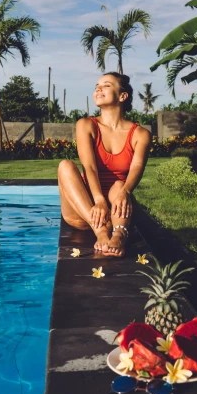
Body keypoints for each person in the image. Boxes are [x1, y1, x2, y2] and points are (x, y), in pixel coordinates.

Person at [58, 72, 151, 257]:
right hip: (84, 211)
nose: (98, 89)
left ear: (122, 96)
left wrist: (125, 192)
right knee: (65, 166)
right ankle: (100, 232)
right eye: (97, 86)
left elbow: (137, 167)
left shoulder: (140, 134)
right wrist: (99, 200)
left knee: (119, 185)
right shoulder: (86, 125)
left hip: (117, 213)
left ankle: (119, 235)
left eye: (106, 85)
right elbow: (89, 167)